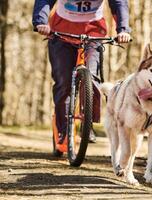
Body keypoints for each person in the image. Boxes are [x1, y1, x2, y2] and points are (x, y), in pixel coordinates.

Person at [32, 0, 131, 143]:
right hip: (61, 34)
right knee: (63, 83)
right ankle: (63, 129)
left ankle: (87, 124)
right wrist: (40, 22)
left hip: (93, 34)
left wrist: (123, 30)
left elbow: (119, 3)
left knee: (91, 78)